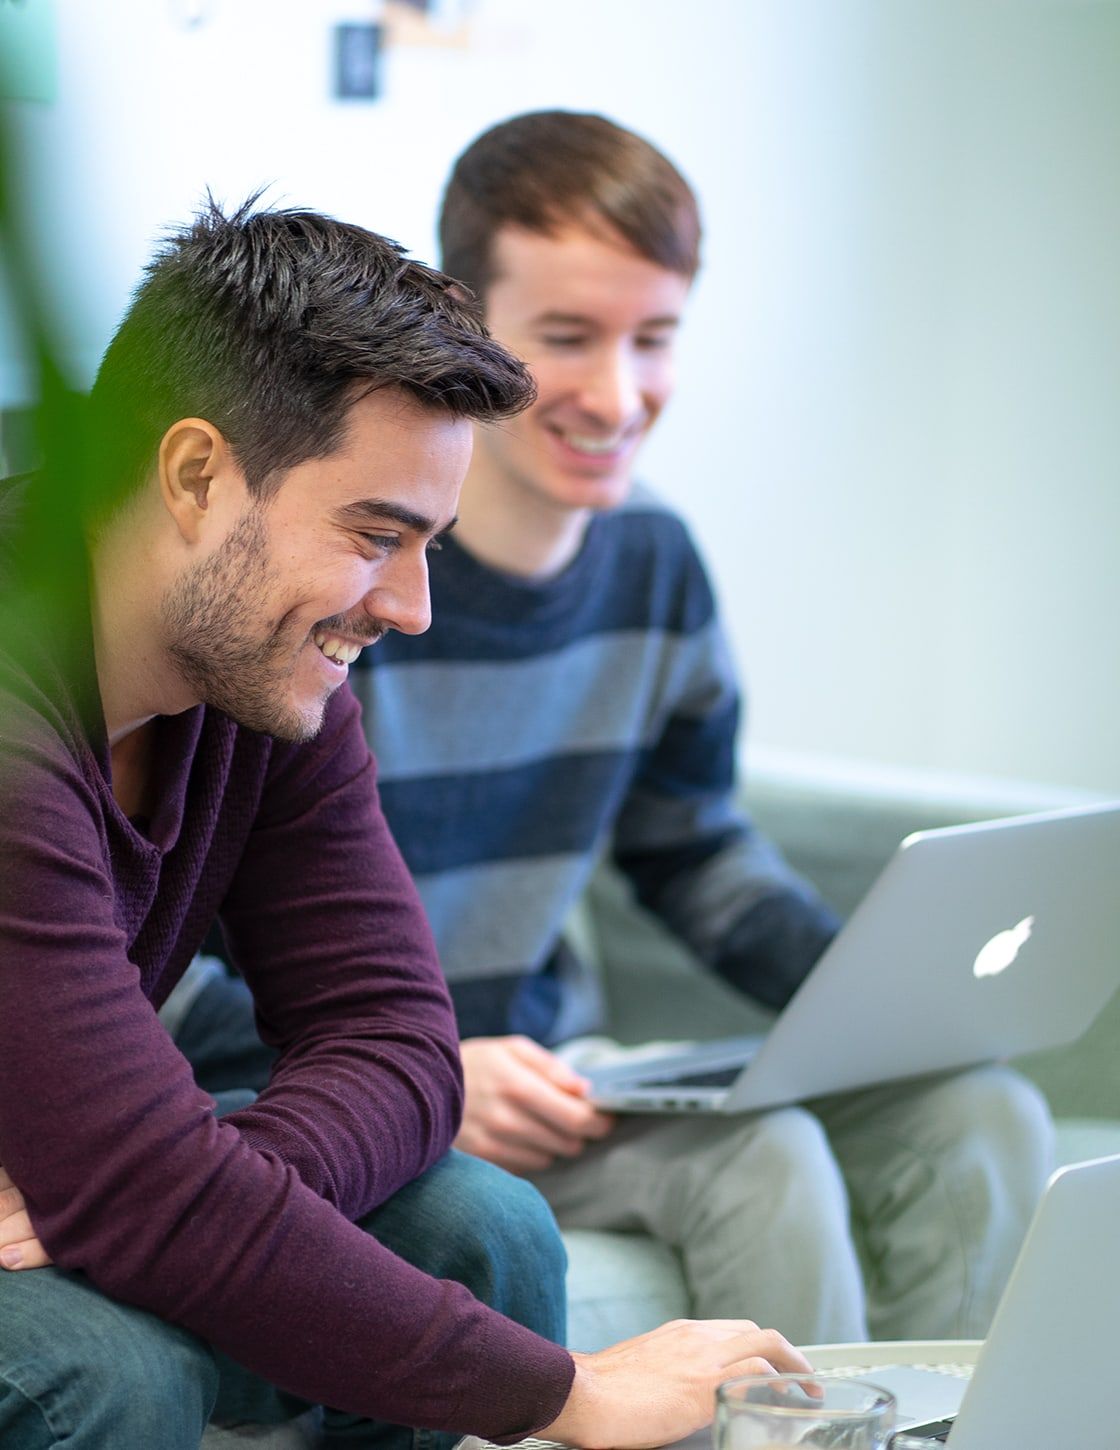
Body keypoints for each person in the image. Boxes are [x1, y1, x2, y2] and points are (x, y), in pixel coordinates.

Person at [170, 114, 1055, 1347]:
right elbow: (167, 931)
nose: (617, 392)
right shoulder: (332, 589)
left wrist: (864, 999)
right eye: (568, 340)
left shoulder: (653, 561)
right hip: (356, 1069)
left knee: (983, 1112)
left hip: (561, 1068)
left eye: (655, 338)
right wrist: (411, 1071)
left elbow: (689, 845)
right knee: (765, 1156)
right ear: (468, 338)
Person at [0, 196, 810, 1450]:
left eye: (427, 541)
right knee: (112, 1370)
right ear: (196, 475)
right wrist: (573, 1396)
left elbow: (397, 1036)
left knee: (478, 1227)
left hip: (37, 1182)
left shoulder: (261, 677)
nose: (415, 607)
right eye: (378, 535)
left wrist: (172, 1188)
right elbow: (137, 1187)